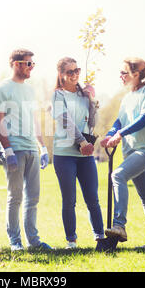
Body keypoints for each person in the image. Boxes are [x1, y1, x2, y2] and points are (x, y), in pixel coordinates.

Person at [100, 57, 145, 250]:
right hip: (131, 151)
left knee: (118, 175)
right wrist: (111, 134)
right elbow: (119, 121)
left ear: (136, 74)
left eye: (124, 72)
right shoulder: (128, 97)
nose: (120, 76)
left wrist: (120, 134)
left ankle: (119, 225)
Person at [0, 48, 52, 251]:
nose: (31, 68)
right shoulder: (1, 89)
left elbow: (34, 119)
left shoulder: (30, 89)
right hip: (14, 148)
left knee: (33, 197)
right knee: (15, 197)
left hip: (31, 148)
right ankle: (15, 241)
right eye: (28, 64)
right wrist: (7, 150)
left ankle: (33, 241)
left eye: (33, 64)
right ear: (16, 64)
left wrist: (42, 145)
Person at [51, 57, 104, 249]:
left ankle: (100, 237)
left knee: (92, 198)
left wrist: (92, 101)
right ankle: (71, 241)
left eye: (77, 70)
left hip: (85, 155)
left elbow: (92, 123)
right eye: (70, 72)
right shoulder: (58, 95)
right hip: (64, 154)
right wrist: (81, 141)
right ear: (62, 75)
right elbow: (64, 119)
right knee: (69, 200)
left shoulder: (84, 95)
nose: (74, 75)